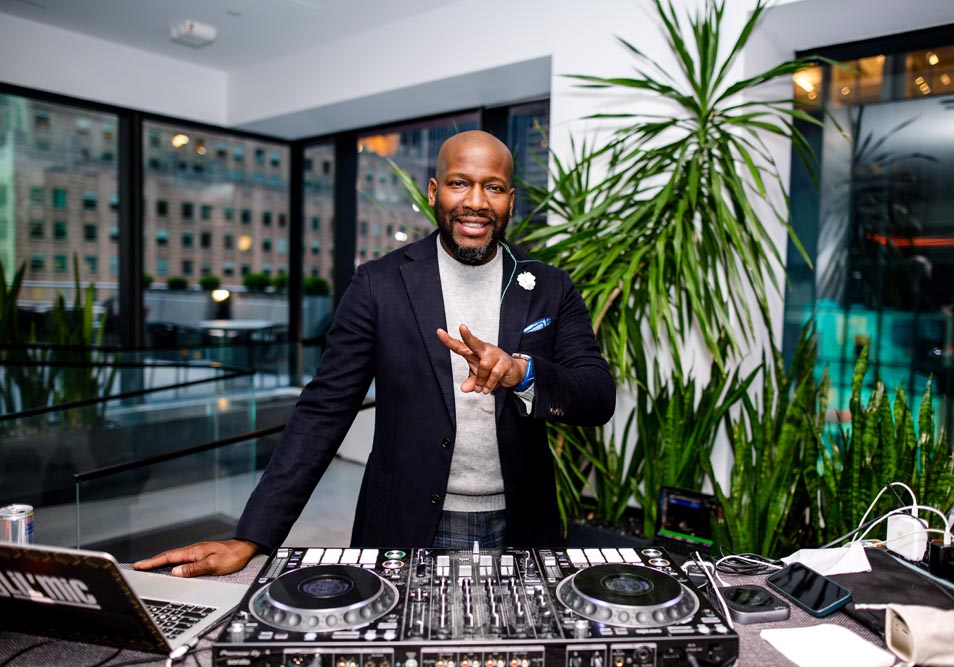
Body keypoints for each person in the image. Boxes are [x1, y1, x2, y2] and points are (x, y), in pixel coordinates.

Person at [134, 130, 615, 577]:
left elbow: (597, 396)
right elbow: (324, 409)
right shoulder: (378, 284)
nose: (475, 201)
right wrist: (252, 537)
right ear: (433, 192)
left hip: (523, 524)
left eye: (492, 188)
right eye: (458, 183)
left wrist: (521, 372)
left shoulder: (550, 286)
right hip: (407, 524)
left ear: (510, 200)